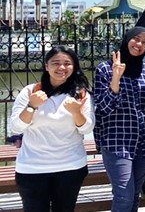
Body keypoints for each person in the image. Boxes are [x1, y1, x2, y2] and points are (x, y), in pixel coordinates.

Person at [11, 46, 94, 212]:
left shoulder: (81, 94)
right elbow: (15, 127)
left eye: (67, 63)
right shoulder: (30, 92)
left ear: (74, 67)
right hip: (32, 168)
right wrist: (31, 106)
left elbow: (86, 129)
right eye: (55, 63)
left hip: (70, 167)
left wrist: (76, 112)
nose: (61, 67)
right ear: (46, 66)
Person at [94, 27, 145, 212]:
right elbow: (102, 108)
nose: (139, 45)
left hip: (143, 141)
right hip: (117, 142)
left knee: (135, 196)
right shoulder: (105, 68)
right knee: (124, 196)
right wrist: (116, 79)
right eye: (136, 39)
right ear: (127, 39)